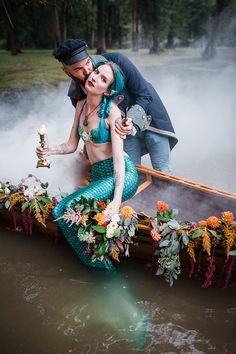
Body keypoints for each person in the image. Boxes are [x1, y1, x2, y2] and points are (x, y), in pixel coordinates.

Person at [36, 61, 139, 271]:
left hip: (123, 176)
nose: (94, 77)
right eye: (97, 72)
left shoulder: (112, 113)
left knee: (63, 208)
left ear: (108, 90)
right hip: (100, 177)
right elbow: (72, 145)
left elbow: (119, 161)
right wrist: (49, 150)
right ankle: (94, 258)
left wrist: (117, 201)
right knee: (66, 208)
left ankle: (103, 269)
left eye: (103, 79)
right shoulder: (81, 105)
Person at [53, 38, 178, 173]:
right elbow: (90, 125)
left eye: (88, 63)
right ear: (67, 71)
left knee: (163, 171)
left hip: (152, 119)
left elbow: (145, 94)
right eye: (78, 69)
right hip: (123, 133)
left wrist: (132, 121)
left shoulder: (117, 61)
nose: (88, 71)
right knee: (132, 173)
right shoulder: (77, 96)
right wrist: (90, 154)